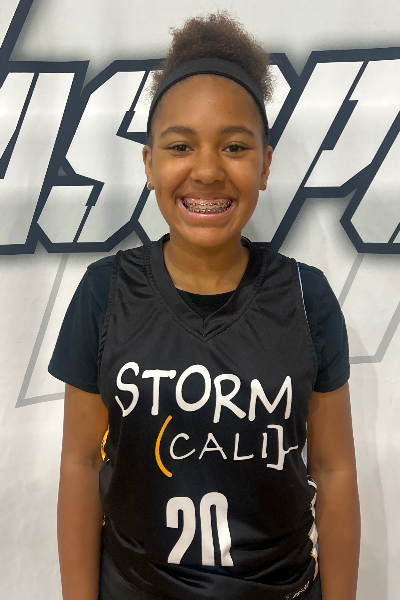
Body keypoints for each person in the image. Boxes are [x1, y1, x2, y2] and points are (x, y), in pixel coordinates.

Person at [49, 11, 360, 600]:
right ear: (149, 164)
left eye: (235, 147)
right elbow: (80, 463)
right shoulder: (104, 293)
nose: (209, 170)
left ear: (266, 164)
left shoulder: (306, 297)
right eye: (180, 146)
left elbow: (334, 469)